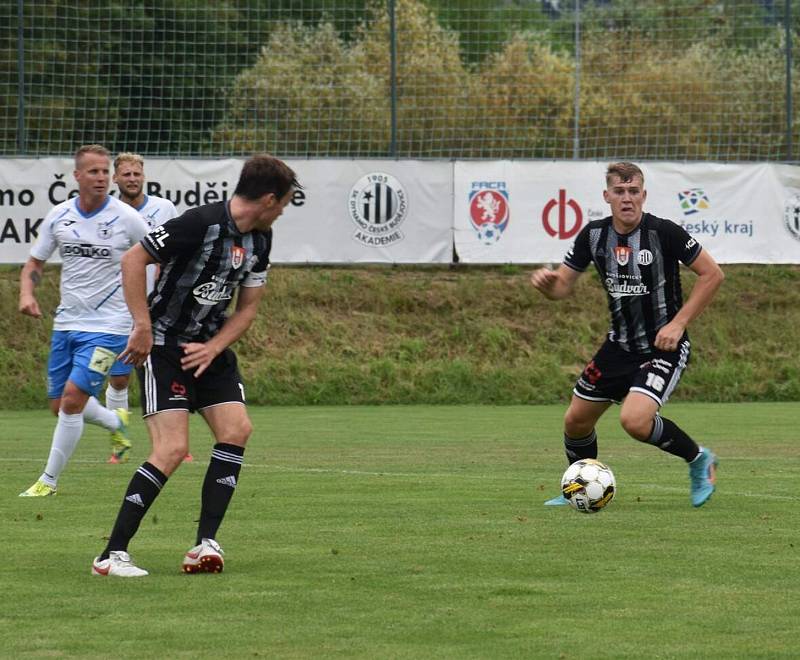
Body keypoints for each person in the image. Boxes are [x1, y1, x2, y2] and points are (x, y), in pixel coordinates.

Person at [91, 154, 300, 577]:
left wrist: (214, 346)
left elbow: (247, 309)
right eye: (283, 204)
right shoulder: (197, 223)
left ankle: (204, 543)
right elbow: (133, 260)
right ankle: (110, 556)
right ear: (268, 198)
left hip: (209, 350)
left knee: (237, 430)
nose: (282, 213)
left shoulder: (261, 239)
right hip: (165, 348)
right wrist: (142, 326)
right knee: (171, 450)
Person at [531, 162, 724, 508]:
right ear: (606, 196)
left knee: (634, 421)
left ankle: (699, 459)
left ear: (643, 195)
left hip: (662, 347)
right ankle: (579, 486)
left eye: (633, 191)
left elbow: (713, 275)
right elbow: (562, 287)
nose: (627, 198)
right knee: (575, 420)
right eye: (619, 192)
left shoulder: (665, 233)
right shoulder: (593, 235)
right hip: (618, 346)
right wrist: (548, 287)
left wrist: (678, 324)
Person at [18, 144, 150, 497]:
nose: (101, 178)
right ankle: (114, 420)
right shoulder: (60, 216)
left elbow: (157, 256)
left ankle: (48, 481)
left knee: (73, 399)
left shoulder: (126, 218)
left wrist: (146, 307)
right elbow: (34, 264)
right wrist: (27, 294)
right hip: (66, 324)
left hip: (111, 328)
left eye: (105, 171)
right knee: (58, 405)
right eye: (93, 171)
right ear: (77, 176)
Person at [110, 152, 190, 463]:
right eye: (126, 174)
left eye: (136, 174)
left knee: (165, 372)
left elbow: (176, 252)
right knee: (119, 379)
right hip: (117, 308)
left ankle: (176, 445)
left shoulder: (164, 208)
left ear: (143, 176)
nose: (131, 179)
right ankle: (119, 442)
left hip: (158, 306)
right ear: (115, 178)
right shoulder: (109, 212)